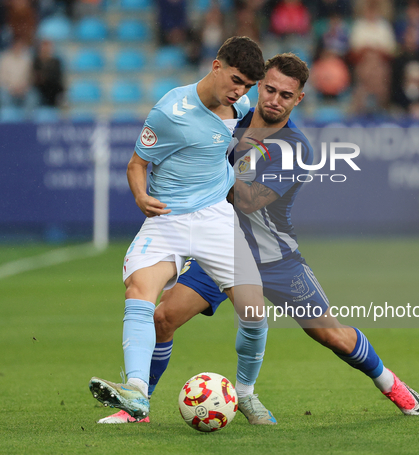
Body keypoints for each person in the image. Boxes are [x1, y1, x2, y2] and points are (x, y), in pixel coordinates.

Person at [99, 52, 419, 424]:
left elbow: (251, 200)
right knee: (163, 318)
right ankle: (137, 408)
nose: (274, 99)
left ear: (298, 99)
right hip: (217, 243)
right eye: (268, 89)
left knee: (331, 334)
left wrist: (204, 173)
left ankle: (391, 384)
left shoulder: (295, 147)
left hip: (274, 258)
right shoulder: (229, 116)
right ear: (258, 87)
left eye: (285, 95)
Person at [88, 37, 271, 424]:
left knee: (254, 311)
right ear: (216, 65)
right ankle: (136, 395)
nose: (240, 91)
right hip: (167, 219)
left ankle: (246, 394)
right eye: (236, 80)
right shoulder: (170, 112)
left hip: (215, 219)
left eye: (248, 87)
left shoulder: (239, 106)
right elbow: (136, 164)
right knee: (140, 289)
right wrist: (140, 196)